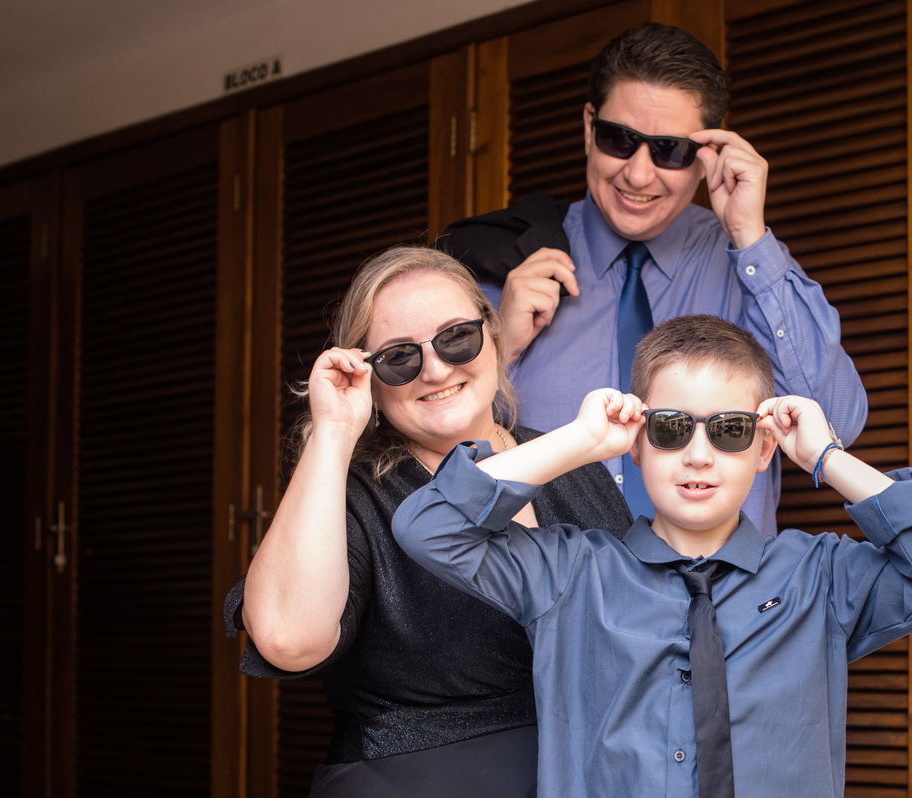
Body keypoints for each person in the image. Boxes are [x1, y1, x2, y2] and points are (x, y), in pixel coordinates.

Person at [393, 315, 912, 798]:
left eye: (730, 430)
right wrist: (580, 441)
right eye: (672, 428)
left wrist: (825, 456)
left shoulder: (823, 579)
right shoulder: (568, 574)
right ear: (637, 445)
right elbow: (427, 526)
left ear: (763, 449)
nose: (700, 456)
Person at [223, 246, 631, 797]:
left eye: (455, 337)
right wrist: (334, 433)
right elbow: (286, 639)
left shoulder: (574, 463)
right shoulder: (354, 491)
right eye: (398, 357)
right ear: (368, 375)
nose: (436, 369)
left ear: (492, 331)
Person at [439, 23, 868, 536]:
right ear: (588, 127)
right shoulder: (501, 267)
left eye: (669, 150)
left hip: (721, 604)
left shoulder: (750, 268)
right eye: (619, 140)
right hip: (548, 601)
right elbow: (435, 455)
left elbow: (839, 423)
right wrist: (500, 347)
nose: (638, 175)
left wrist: (751, 237)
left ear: (709, 153)